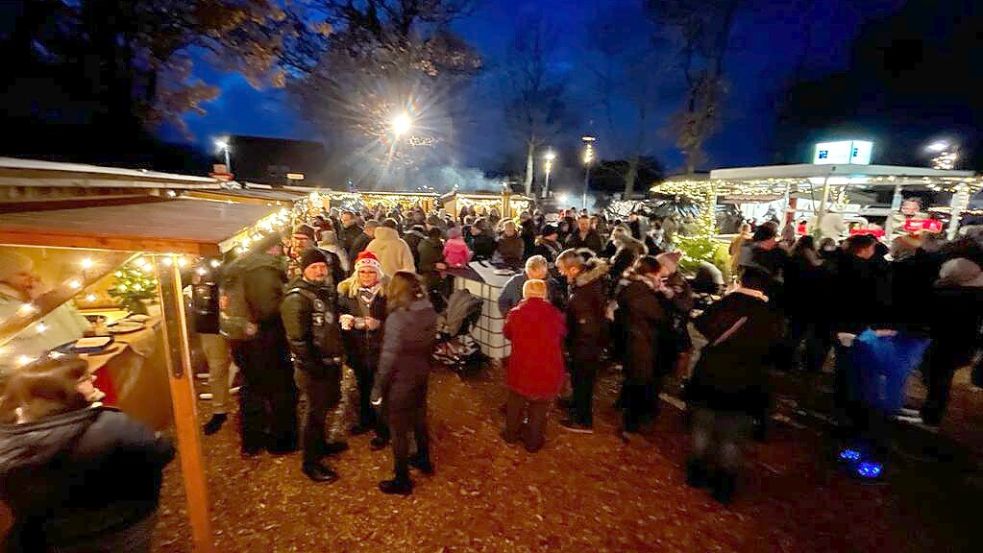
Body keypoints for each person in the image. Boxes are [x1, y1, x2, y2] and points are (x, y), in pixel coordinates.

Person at [0, 355, 175, 552]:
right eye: (84, 378)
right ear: (62, 391)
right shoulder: (110, 426)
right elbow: (162, 450)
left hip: (48, 536)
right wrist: (95, 412)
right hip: (122, 524)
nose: (93, 379)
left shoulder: (6, 438)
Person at [685, 269, 783, 504]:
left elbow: (698, 331)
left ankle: (696, 473)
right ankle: (724, 485)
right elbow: (778, 353)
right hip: (746, 382)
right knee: (732, 436)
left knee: (703, 425)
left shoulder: (724, 305)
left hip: (710, 375)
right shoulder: (768, 315)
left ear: (741, 282)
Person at [226, 234, 299, 456]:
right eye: (281, 247)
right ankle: (281, 441)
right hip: (264, 339)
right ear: (273, 248)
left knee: (251, 388)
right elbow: (267, 309)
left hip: (242, 338)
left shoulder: (242, 265)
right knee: (279, 389)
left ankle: (251, 441)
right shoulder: (263, 270)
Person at [281, 249, 348, 483]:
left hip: (327, 362)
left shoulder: (321, 291)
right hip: (313, 367)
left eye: (323, 266)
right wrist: (313, 365)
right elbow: (297, 338)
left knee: (324, 407)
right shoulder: (297, 298)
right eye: (314, 267)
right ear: (304, 270)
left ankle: (321, 446)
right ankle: (310, 463)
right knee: (314, 413)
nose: (320, 271)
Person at [370, 272, 438, 495]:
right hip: (421, 373)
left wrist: (378, 388)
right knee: (419, 418)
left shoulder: (398, 318)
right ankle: (423, 459)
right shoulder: (428, 309)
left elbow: (388, 357)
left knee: (398, 430)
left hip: (401, 379)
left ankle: (402, 479)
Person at [502, 279, 567, 451]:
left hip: (522, 364)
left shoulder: (516, 313)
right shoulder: (555, 314)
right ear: (544, 293)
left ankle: (510, 435)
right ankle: (533, 442)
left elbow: (507, 333)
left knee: (515, 401)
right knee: (540, 406)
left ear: (525, 293)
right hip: (548, 365)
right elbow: (562, 333)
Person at [0, 250, 91, 371]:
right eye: (22, 274)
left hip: (77, 359)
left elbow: (82, 325)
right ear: (3, 278)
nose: (32, 277)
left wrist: (50, 297)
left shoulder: (46, 292)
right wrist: (41, 301)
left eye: (32, 270)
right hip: (35, 374)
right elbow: (30, 330)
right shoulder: (5, 306)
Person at [919, 258, 983, 426]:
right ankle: (931, 413)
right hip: (962, 345)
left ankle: (931, 416)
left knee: (937, 379)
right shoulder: (976, 296)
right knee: (941, 379)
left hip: (941, 343)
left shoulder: (939, 293)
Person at [615, 256, 673, 437]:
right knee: (639, 383)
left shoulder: (631, 288)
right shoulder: (642, 294)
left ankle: (630, 419)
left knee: (635, 380)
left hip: (632, 340)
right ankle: (630, 425)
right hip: (641, 343)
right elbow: (660, 317)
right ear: (652, 273)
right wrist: (665, 297)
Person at [338, 252, 390, 449]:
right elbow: (339, 314)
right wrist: (343, 319)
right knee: (364, 386)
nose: (367, 276)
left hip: (381, 351)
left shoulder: (388, 294)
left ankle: (383, 430)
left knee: (380, 391)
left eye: (371, 272)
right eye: (363, 272)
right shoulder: (347, 294)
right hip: (359, 351)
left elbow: (398, 322)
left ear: (378, 273)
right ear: (356, 274)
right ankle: (366, 420)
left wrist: (380, 324)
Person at [555, 249, 609, 433]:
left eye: (562, 269)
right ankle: (575, 406)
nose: (560, 273)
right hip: (587, 344)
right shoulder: (586, 283)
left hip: (585, 346)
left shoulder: (583, 295)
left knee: (583, 382)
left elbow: (586, 326)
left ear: (573, 269)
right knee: (580, 381)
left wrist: (572, 345)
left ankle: (583, 421)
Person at [191, 260, 233, 435]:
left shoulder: (230, 261)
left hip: (236, 322)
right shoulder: (194, 267)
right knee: (217, 369)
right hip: (210, 325)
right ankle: (219, 410)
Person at [783, 235, 831, 373]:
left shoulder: (791, 259)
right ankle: (806, 363)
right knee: (805, 333)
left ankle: (786, 361)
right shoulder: (814, 264)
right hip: (809, 302)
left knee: (793, 332)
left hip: (793, 300)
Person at [417, 226, 447, 300]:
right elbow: (441, 259)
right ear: (439, 236)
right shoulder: (438, 245)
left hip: (421, 273)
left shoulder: (422, 243)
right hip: (432, 274)